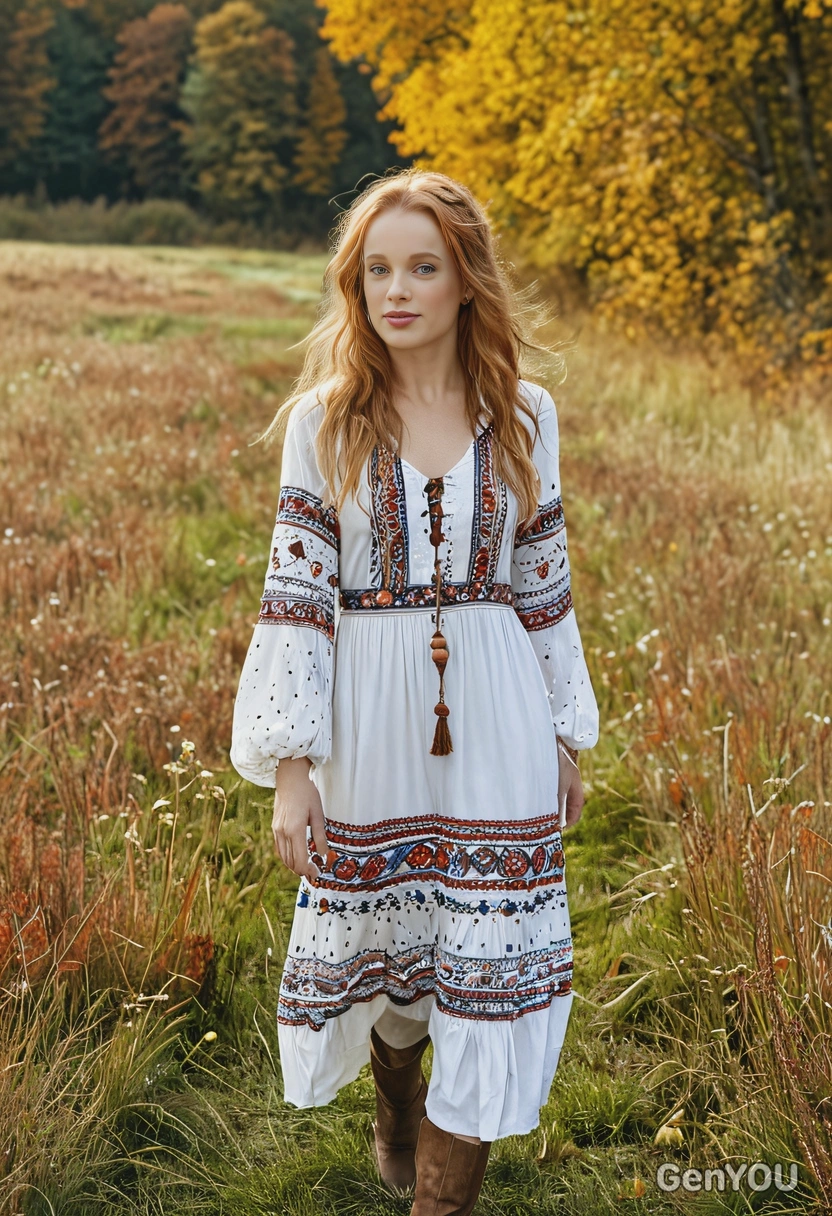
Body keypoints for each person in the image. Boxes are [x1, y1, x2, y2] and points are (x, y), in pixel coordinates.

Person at [229, 168, 599, 1216]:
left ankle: (440, 1199)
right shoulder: (323, 420)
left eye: (422, 267)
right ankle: (395, 1099)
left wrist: (565, 737)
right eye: (377, 268)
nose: (397, 290)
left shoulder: (526, 415)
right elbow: (296, 597)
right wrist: (291, 769)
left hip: (498, 715)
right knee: (396, 975)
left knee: (488, 971)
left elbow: (544, 586)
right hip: (367, 720)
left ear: (464, 282)